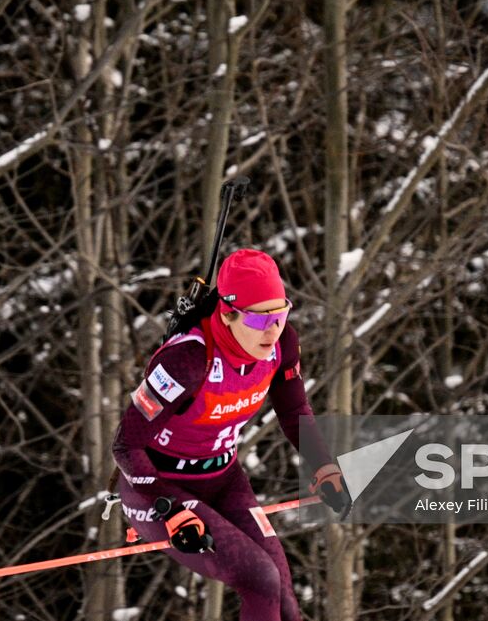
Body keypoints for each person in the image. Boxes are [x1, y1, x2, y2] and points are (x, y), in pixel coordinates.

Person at [112, 249, 351, 621]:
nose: (272, 332)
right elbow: (126, 444)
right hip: (158, 489)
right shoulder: (188, 360)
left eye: (281, 314)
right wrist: (170, 509)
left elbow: (293, 411)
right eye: (260, 321)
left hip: (223, 479)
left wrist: (323, 467)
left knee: (284, 599)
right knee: (260, 579)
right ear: (227, 313)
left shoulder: (281, 344)